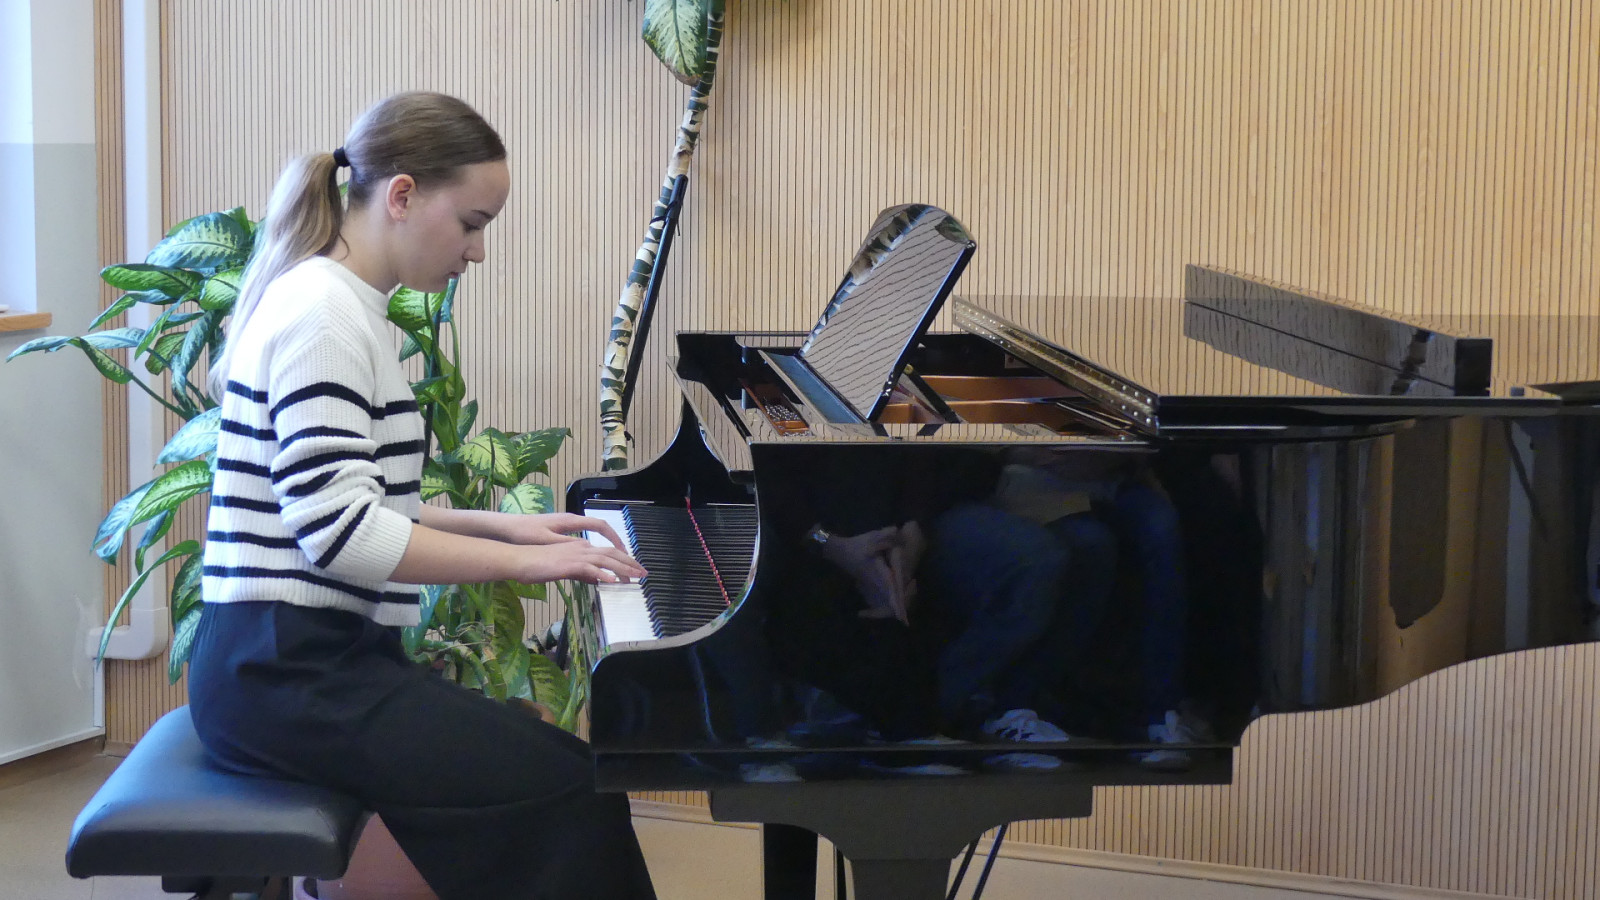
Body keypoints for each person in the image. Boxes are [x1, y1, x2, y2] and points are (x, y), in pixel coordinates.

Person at [188, 92, 657, 900]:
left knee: (554, 761)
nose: (478, 252)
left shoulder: (343, 306)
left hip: (303, 663)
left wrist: (508, 530)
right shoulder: (324, 317)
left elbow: (365, 499)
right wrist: (530, 564)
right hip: (285, 676)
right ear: (401, 195)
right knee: (572, 786)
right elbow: (341, 534)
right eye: (472, 223)